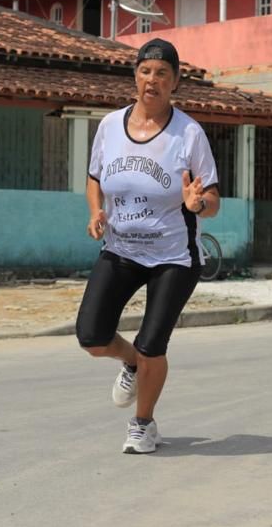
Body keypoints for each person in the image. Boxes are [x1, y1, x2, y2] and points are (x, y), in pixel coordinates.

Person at [75, 38, 220, 455]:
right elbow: (95, 178)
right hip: (121, 249)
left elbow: (212, 199)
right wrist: (95, 211)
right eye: (145, 71)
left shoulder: (188, 133)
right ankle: (131, 362)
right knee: (91, 336)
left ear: (174, 83)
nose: (152, 80)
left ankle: (143, 424)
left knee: (152, 342)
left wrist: (198, 203)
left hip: (174, 257)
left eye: (162, 74)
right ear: (135, 76)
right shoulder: (110, 126)